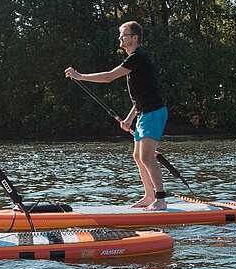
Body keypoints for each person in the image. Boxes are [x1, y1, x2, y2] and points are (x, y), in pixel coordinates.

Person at [65, 21, 170, 210]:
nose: (120, 38)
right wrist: (130, 118)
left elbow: (109, 76)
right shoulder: (135, 60)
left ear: (134, 38)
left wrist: (80, 76)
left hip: (154, 112)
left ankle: (161, 199)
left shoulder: (138, 57)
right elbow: (141, 96)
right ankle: (148, 196)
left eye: (123, 35)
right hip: (144, 112)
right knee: (138, 156)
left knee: (147, 157)